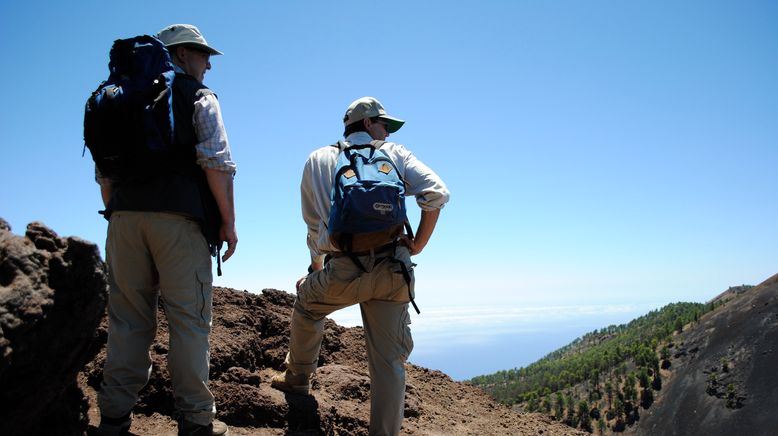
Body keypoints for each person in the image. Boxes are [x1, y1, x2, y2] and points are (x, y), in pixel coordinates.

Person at [271, 96, 449, 435]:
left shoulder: (319, 159)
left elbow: (313, 227)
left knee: (307, 308)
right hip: (393, 272)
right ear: (367, 124)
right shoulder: (395, 155)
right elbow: (436, 193)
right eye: (383, 124)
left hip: (342, 269)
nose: (386, 132)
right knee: (388, 364)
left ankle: (297, 380)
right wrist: (418, 244)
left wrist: (314, 269)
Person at [95, 24, 237, 436]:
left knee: (126, 320)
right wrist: (227, 221)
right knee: (189, 322)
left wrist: (120, 214)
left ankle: (114, 418)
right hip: (179, 223)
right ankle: (196, 420)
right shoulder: (197, 95)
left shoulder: (115, 96)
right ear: (179, 54)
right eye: (202, 54)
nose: (208, 63)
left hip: (122, 220)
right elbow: (217, 162)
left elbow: (104, 172)